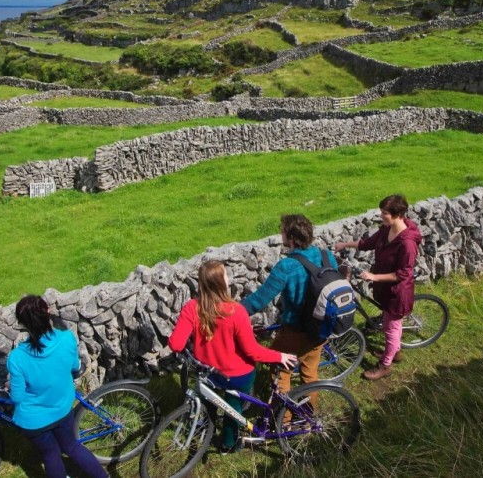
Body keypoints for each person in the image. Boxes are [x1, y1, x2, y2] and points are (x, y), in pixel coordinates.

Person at [168, 260, 297, 453]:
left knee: (208, 402)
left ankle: (204, 429)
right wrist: (279, 356)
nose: (228, 278)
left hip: (208, 371)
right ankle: (228, 444)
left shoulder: (192, 307)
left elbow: (176, 344)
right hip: (238, 375)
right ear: (222, 283)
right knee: (232, 409)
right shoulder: (237, 313)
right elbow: (252, 351)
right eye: (226, 275)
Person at [7, 295, 108, 478]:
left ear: (22, 324)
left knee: (50, 455)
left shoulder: (17, 358)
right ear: (48, 314)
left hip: (33, 421)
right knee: (72, 447)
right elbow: (74, 367)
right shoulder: (66, 339)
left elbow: (17, 397)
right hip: (62, 409)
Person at [241, 214, 339, 398]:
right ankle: (309, 420)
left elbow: (259, 300)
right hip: (321, 327)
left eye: (283, 231)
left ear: (291, 238)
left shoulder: (287, 266)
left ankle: (283, 422)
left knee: (280, 372)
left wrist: (234, 311)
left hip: (296, 331)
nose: (281, 234)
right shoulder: (326, 256)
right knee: (310, 373)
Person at [334, 194, 422, 380]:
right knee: (390, 325)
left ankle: (385, 365)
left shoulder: (407, 243)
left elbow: (403, 273)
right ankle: (395, 353)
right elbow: (367, 244)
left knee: (391, 328)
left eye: (385, 213)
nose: (381, 216)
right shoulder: (387, 229)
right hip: (385, 289)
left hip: (397, 293)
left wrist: (373, 276)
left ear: (398, 214)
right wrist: (345, 244)